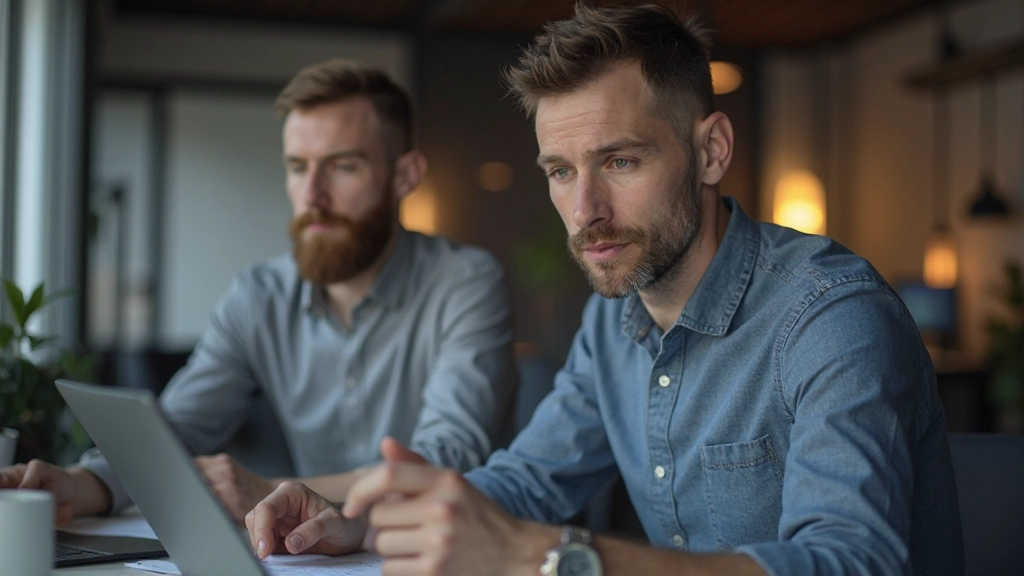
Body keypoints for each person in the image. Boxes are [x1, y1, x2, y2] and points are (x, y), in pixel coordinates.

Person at [248, 5, 966, 575]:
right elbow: (526, 484)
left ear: (711, 151)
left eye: (619, 160)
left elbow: (851, 563)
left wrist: (545, 558)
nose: (586, 210)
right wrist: (355, 518)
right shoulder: (613, 320)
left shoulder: (832, 317)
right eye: (560, 171)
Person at [0, 59, 516, 524]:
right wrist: (77, 485)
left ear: (405, 175)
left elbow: (450, 458)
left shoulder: (465, 282)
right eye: (297, 167)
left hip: (451, 548)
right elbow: (176, 429)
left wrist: (270, 490)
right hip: (321, 556)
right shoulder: (259, 294)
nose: (312, 195)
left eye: (342, 166)